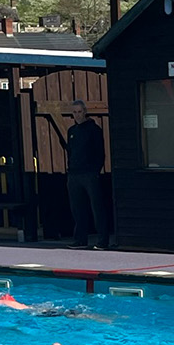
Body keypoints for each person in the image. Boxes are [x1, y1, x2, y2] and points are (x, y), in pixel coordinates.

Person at [64, 100, 108, 249]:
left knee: (97, 207)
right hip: (74, 174)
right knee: (77, 208)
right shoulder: (71, 131)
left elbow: (100, 152)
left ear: (85, 112)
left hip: (89, 174)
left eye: (79, 112)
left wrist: (95, 170)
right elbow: (70, 152)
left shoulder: (94, 129)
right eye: (74, 112)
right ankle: (80, 239)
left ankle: (103, 240)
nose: (77, 115)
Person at [0, 291, 110, 321]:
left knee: (69, 315)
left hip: (39, 312)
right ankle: (100, 317)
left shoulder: (7, 303)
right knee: (70, 313)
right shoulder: (20, 304)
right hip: (42, 309)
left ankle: (100, 318)